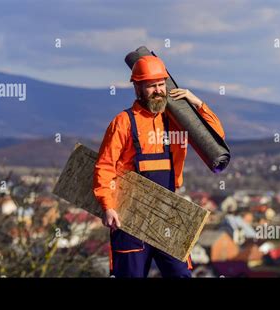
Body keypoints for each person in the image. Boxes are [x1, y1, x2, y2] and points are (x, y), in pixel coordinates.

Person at [93, 55, 225, 277]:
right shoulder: (123, 122)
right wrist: (108, 206)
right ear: (137, 87)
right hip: (128, 215)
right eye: (151, 86)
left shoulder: (177, 121)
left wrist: (196, 103)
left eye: (161, 84)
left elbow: (215, 137)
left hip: (167, 213)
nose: (158, 90)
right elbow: (104, 166)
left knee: (181, 274)